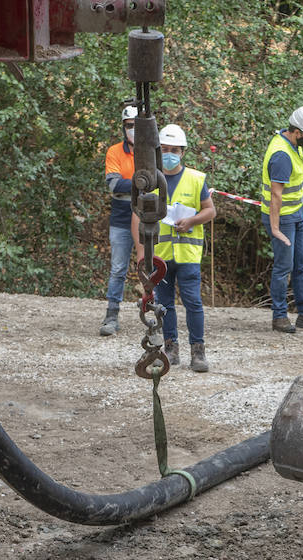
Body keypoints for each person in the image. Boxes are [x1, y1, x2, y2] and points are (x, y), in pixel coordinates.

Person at [132, 123, 216, 373]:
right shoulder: (151, 179)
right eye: (165, 149)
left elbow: (210, 210)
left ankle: (198, 351)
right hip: (162, 256)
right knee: (164, 304)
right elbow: (137, 213)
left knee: (193, 303)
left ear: (183, 152)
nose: (169, 154)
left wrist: (192, 220)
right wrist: (141, 251)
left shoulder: (195, 179)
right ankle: (170, 348)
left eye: (174, 150)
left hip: (188, 255)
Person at [260, 106, 303, 334]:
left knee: (302, 263)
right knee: (284, 267)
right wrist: (275, 228)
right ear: (297, 131)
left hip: (297, 215)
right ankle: (279, 316)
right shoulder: (281, 154)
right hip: (283, 219)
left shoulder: (293, 145)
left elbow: (295, 180)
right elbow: (276, 194)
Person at [100, 105, 137, 337]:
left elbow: (162, 182)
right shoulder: (115, 152)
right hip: (122, 216)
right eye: (128, 126)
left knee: (154, 265)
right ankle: (111, 315)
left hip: (150, 216)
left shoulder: (155, 150)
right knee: (118, 268)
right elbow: (113, 185)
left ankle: (155, 312)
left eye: (135, 125)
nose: (132, 130)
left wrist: (129, 184)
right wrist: (143, 183)